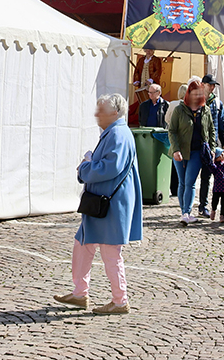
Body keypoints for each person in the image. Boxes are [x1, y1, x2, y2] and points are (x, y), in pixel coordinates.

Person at [55, 93, 142, 315]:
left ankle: (120, 301)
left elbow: (109, 168)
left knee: (110, 252)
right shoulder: (114, 132)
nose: (96, 115)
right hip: (103, 204)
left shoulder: (118, 134)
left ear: (114, 112)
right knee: (82, 244)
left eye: (100, 111)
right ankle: (80, 293)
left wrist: (85, 167)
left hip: (111, 205)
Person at [168, 79, 217, 224]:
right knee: (182, 183)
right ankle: (184, 212)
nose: (196, 97)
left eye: (198, 94)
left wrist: (212, 148)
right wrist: (176, 150)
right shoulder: (179, 109)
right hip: (180, 152)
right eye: (193, 94)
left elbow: (211, 130)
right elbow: (172, 131)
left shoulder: (205, 110)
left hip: (197, 152)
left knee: (190, 182)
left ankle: (186, 212)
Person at [197, 74, 224, 218]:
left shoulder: (217, 103)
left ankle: (203, 206)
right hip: (196, 144)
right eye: (210, 84)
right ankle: (185, 206)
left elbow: (222, 124)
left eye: (213, 85)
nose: (212, 87)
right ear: (203, 85)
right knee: (190, 178)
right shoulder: (196, 100)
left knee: (207, 176)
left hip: (211, 145)